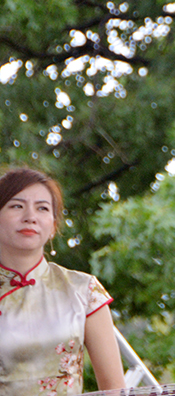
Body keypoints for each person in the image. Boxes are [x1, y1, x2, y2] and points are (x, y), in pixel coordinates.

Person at [0, 167, 126, 396]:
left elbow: (114, 389)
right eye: (17, 206)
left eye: (42, 208)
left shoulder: (84, 290)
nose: (30, 216)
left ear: (53, 226)